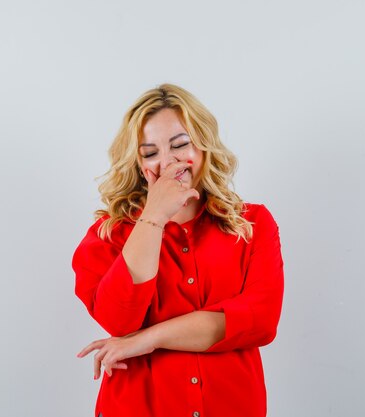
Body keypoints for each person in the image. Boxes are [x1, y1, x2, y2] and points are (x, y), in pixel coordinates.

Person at [72, 83, 284, 417]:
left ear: (202, 146)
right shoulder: (109, 234)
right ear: (137, 162)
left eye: (180, 144)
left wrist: (146, 339)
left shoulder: (253, 223)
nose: (167, 161)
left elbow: (259, 321)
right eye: (150, 152)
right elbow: (119, 321)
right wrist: (154, 215)